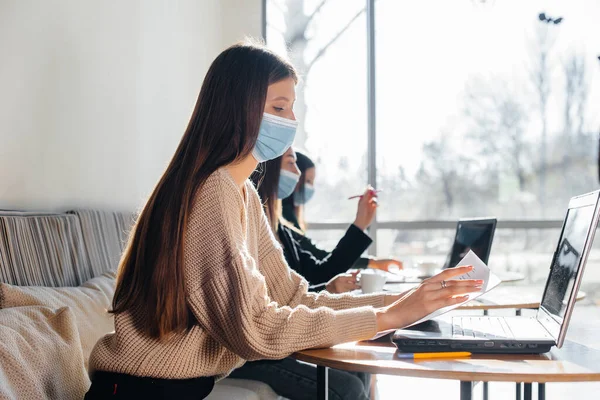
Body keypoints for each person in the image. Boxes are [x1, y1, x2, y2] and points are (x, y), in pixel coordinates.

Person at [85, 41, 482, 400]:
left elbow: (293, 298)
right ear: (236, 109)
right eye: (278, 108)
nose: (290, 122)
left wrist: (406, 300)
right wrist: (387, 317)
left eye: (291, 108)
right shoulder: (210, 194)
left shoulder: (241, 193)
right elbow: (257, 327)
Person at [282, 151, 402, 272]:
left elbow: (319, 265)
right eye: (307, 181)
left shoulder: (287, 215)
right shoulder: (283, 216)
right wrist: (360, 224)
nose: (297, 173)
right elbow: (320, 263)